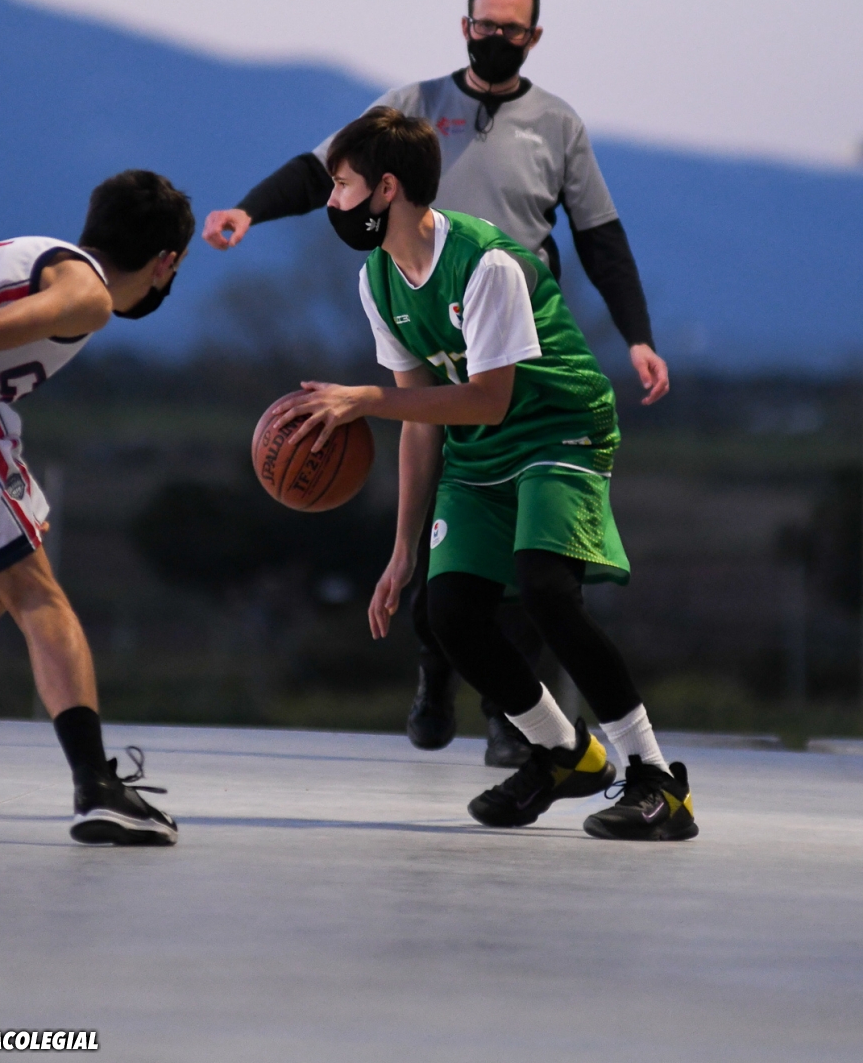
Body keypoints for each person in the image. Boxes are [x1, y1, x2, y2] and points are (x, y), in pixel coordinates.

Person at [202, 0, 668, 765]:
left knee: (540, 585)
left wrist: (638, 334)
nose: (495, 37)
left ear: (533, 38)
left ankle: (576, 748)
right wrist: (250, 208)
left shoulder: (554, 131)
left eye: (510, 29)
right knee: (450, 590)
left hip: (525, 372)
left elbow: (600, 237)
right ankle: (469, 688)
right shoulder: (408, 122)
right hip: (447, 346)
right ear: (464, 27)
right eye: (484, 24)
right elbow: (320, 170)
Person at [269, 109, 698, 840]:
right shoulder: (378, 280)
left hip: (557, 426)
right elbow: (420, 418)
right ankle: (564, 754)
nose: (331, 200)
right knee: (451, 614)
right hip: (479, 447)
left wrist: (367, 399)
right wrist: (402, 551)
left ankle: (658, 781)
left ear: (385, 190)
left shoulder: (485, 264)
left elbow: (487, 397)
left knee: (546, 590)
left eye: (340, 185)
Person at [0, 170, 195, 847]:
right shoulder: (87, 293)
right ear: (166, 263)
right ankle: (96, 787)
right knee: (36, 593)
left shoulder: (46, 261)